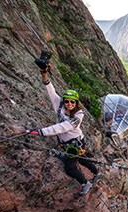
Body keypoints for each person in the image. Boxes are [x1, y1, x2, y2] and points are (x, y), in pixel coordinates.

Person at [27, 51, 103, 196]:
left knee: (70, 167)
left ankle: (85, 183)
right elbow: (50, 90)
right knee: (82, 159)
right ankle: (96, 172)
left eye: (72, 102)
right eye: (66, 101)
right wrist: (44, 74)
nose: (68, 103)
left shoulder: (79, 115)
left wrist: (42, 132)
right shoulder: (60, 106)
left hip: (75, 143)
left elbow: (63, 127)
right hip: (68, 144)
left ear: (76, 103)